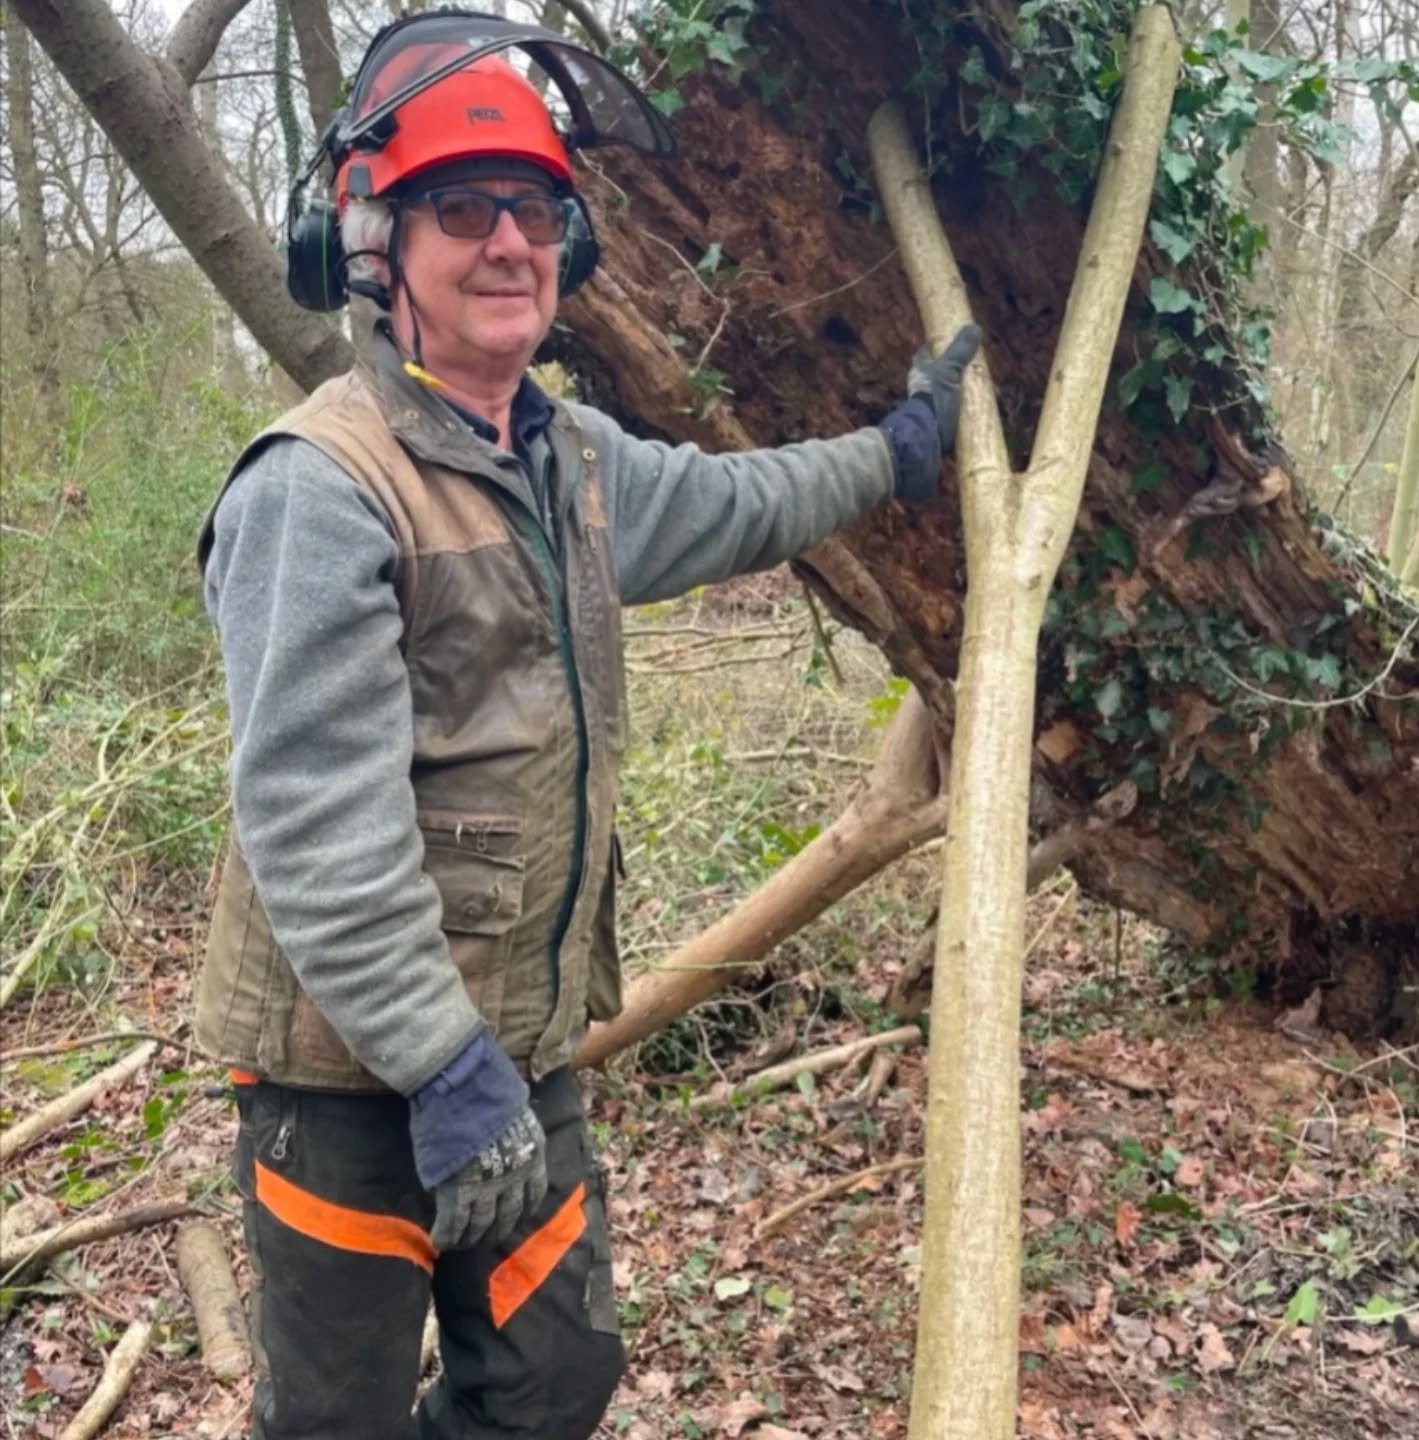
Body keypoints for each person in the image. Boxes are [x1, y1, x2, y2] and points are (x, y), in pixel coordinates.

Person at [194, 13, 980, 1439]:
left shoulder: (568, 462)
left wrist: (895, 454)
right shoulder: (317, 491)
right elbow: (317, 823)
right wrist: (441, 1064)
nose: (509, 242)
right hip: (349, 1074)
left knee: (553, 1381)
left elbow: (740, 502)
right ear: (371, 247)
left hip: (522, 1042)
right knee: (335, 1419)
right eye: (462, 208)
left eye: (537, 210)